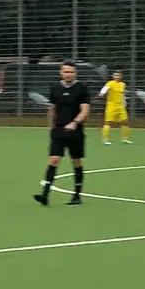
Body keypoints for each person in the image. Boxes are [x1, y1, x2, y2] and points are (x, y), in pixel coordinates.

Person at [34, 62, 90, 206]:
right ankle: (44, 195)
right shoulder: (55, 88)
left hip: (75, 131)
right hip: (58, 131)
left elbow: (85, 110)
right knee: (54, 160)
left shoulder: (82, 88)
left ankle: (77, 195)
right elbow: (52, 109)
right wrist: (50, 127)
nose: (68, 74)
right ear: (61, 73)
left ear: (75, 73)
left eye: (71, 72)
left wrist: (74, 123)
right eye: (66, 72)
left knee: (76, 162)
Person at [98, 70, 131, 145]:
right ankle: (105, 139)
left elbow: (123, 95)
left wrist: (124, 103)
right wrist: (102, 93)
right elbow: (104, 89)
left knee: (125, 122)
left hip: (120, 106)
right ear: (113, 76)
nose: (117, 77)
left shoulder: (123, 84)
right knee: (108, 122)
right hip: (111, 105)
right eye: (115, 75)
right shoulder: (110, 83)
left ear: (121, 76)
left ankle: (125, 139)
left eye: (119, 75)